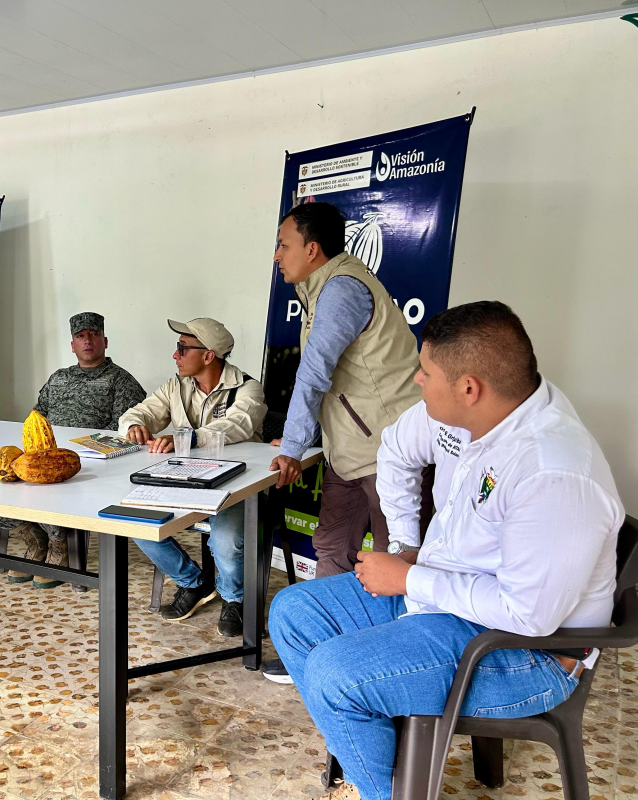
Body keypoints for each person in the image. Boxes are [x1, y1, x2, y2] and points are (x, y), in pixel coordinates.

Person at [267, 301, 623, 800]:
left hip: (522, 650)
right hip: (444, 597)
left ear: (469, 387)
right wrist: (408, 546)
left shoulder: (553, 473)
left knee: (335, 673)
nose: (416, 379)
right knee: (292, 611)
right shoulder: (474, 411)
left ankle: (382, 786)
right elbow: (394, 447)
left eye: (425, 372)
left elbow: (530, 614)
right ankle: (386, 772)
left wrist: (409, 579)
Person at [262, 202, 429, 683]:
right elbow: (340, 384)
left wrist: (294, 447)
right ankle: (324, 654)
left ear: (312, 249)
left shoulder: (342, 289)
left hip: (390, 453)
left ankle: (403, 665)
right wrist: (299, 436)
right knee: (332, 546)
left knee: (403, 558)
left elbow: (314, 373)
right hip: (349, 452)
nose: (277, 255)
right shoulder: (321, 287)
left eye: (283, 244)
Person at [119, 317, 267, 637]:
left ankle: (234, 598)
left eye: (183, 348)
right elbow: (142, 412)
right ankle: (194, 582)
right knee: (136, 520)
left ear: (209, 355)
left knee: (226, 540)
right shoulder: (176, 386)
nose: (176, 355)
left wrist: (191, 437)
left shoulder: (247, 387)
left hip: (235, 486)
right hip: (184, 479)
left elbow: (240, 423)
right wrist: (133, 425)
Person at [0, 311, 146, 588]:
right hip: (43, 454)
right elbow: (35, 418)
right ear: (72, 344)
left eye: (94, 335)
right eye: (81, 336)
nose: (88, 341)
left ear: (105, 341)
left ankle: (59, 544)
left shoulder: (120, 380)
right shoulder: (58, 378)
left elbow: (124, 431)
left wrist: (77, 451)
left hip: (89, 463)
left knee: (54, 488)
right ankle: (34, 536)